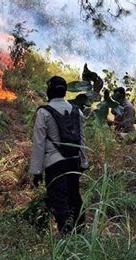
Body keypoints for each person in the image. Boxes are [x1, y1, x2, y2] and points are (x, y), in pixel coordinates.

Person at [29, 76, 89, 235]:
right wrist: (84, 163)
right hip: (73, 162)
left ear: (49, 90)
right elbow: (82, 139)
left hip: (54, 163)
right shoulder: (77, 111)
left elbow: (39, 143)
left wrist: (36, 171)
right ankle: (80, 230)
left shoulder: (44, 112)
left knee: (58, 198)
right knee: (74, 196)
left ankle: (65, 233)